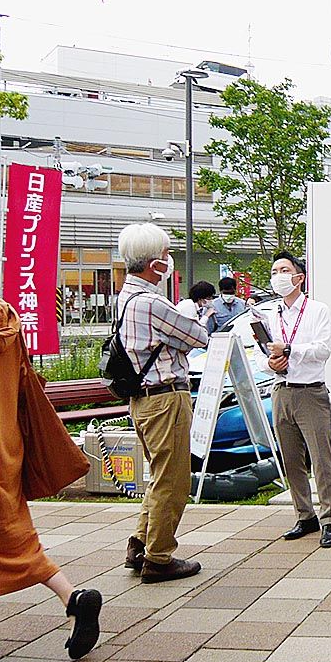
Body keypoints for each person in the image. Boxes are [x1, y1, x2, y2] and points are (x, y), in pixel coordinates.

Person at [0, 300, 103, 659]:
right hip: (6, 447)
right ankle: (72, 597)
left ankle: (74, 599)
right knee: (15, 535)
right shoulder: (6, 317)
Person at [117, 223, 208, 583]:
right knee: (173, 481)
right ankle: (158, 557)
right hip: (166, 399)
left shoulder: (125, 297)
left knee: (158, 476)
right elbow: (198, 335)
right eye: (166, 255)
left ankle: (139, 544)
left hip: (141, 401)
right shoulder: (153, 302)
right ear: (155, 264)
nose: (169, 261)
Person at [263, 251, 331, 548]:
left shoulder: (318, 311)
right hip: (281, 391)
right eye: (274, 271)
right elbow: (262, 353)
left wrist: (289, 351)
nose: (278, 276)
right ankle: (304, 515)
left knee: (321, 458)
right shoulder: (271, 314)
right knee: (291, 459)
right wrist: (271, 363)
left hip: (311, 392)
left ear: (299, 277)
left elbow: (322, 349)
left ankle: (329, 518)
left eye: (284, 270)